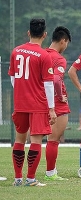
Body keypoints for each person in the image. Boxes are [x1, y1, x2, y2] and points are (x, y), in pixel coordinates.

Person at [8, 18, 57, 187]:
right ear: (44, 35)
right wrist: (51, 109)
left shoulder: (16, 51)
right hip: (37, 104)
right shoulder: (44, 55)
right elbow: (49, 84)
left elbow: (13, 78)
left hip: (20, 103)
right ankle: (30, 179)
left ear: (28, 33)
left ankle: (17, 179)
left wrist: (22, 93)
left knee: (19, 140)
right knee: (36, 141)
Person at [44, 26, 71, 181]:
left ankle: (27, 175)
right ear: (63, 41)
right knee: (53, 140)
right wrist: (60, 96)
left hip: (38, 101)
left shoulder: (40, 54)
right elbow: (55, 79)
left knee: (34, 140)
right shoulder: (58, 58)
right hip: (55, 103)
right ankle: (50, 173)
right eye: (66, 43)